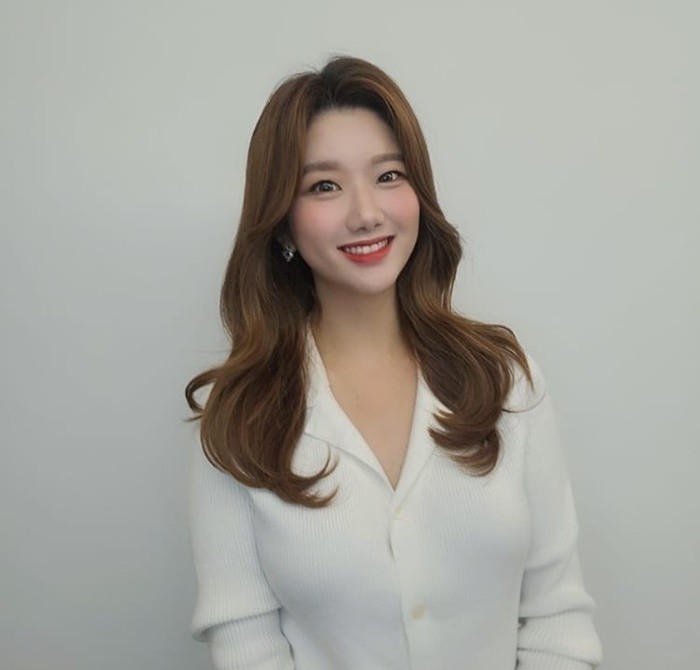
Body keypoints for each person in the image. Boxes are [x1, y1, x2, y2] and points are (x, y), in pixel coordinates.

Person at [184, 55, 603, 670]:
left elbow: (556, 621)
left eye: (388, 176)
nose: (366, 213)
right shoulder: (236, 416)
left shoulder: (506, 381)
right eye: (324, 186)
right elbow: (246, 643)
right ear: (282, 225)